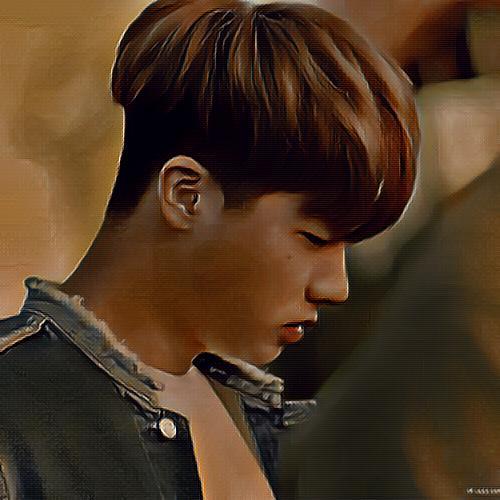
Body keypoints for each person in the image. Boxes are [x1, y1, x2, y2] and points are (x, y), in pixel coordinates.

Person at [0, 0, 419, 498]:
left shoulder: (267, 418)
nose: (337, 287)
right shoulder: (13, 409)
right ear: (186, 196)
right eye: (314, 238)